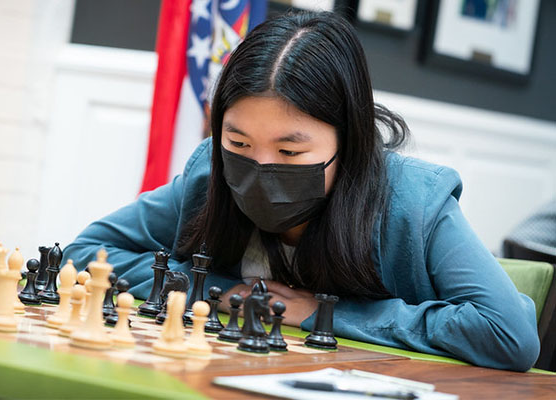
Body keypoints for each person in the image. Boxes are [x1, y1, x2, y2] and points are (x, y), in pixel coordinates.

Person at [62, 11, 539, 371]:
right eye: (238, 142)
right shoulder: (209, 178)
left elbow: (508, 334)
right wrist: (227, 295)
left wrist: (322, 313)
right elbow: (84, 254)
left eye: (290, 153)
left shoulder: (414, 202)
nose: (260, 167)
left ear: (347, 141)